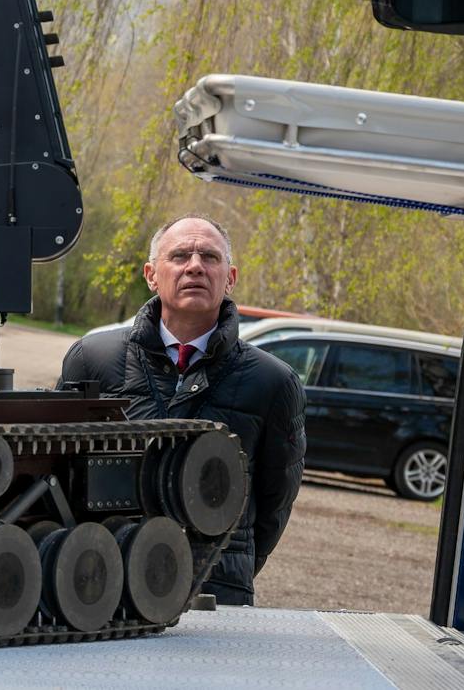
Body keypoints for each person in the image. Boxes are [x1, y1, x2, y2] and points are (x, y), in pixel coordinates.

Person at [59, 214, 305, 606]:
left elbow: (276, 500)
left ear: (230, 277)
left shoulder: (273, 381)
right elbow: (60, 472)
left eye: (209, 256)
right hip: (103, 580)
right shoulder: (93, 359)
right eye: (179, 256)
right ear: (152, 275)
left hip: (215, 589)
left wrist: (226, 564)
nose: (195, 266)